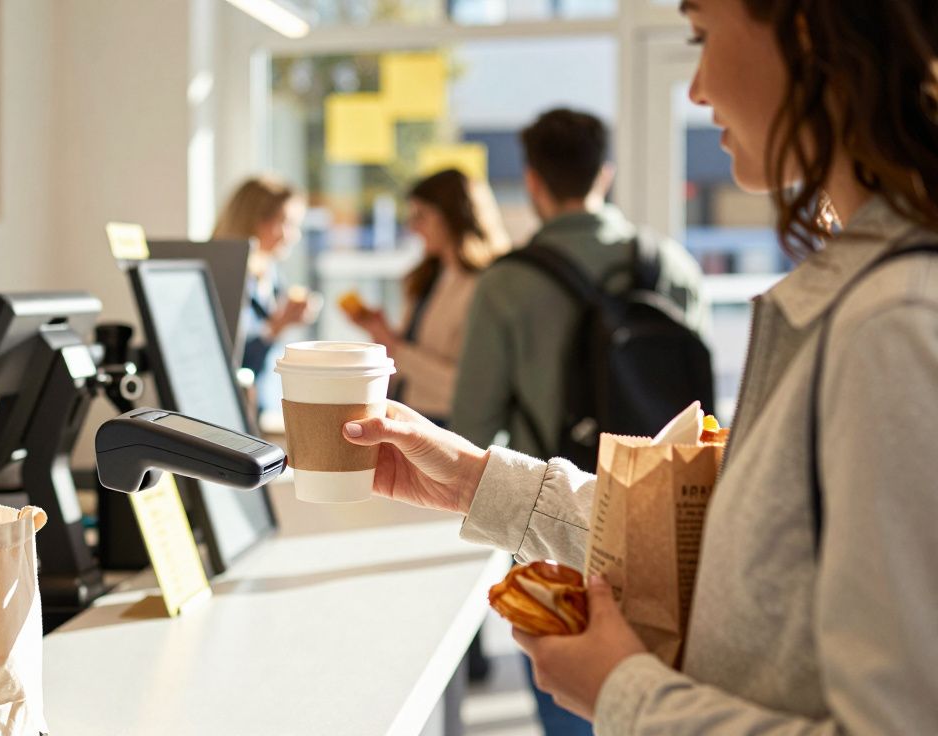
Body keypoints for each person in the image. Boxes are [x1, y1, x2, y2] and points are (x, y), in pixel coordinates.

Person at [340, 0, 938, 732]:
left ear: (808, 31)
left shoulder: (893, 324)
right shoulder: (839, 295)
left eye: (701, 35)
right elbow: (734, 553)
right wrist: (471, 478)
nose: (697, 88)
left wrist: (623, 693)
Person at [452, 108, 707, 459]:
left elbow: (472, 430)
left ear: (532, 181)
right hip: (659, 493)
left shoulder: (505, 283)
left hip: (549, 499)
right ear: (604, 176)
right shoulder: (672, 265)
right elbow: (700, 412)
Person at [347, 169, 511, 425]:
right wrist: (383, 335)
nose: (412, 226)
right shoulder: (427, 276)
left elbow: (468, 386)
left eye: (421, 216)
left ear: (453, 216)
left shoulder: (486, 286)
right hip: (409, 414)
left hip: (449, 425)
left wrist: (394, 344)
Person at [213, 176, 315, 385]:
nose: (292, 236)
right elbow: (229, 361)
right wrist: (277, 326)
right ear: (254, 220)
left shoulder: (272, 273)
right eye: (286, 223)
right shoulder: (222, 278)